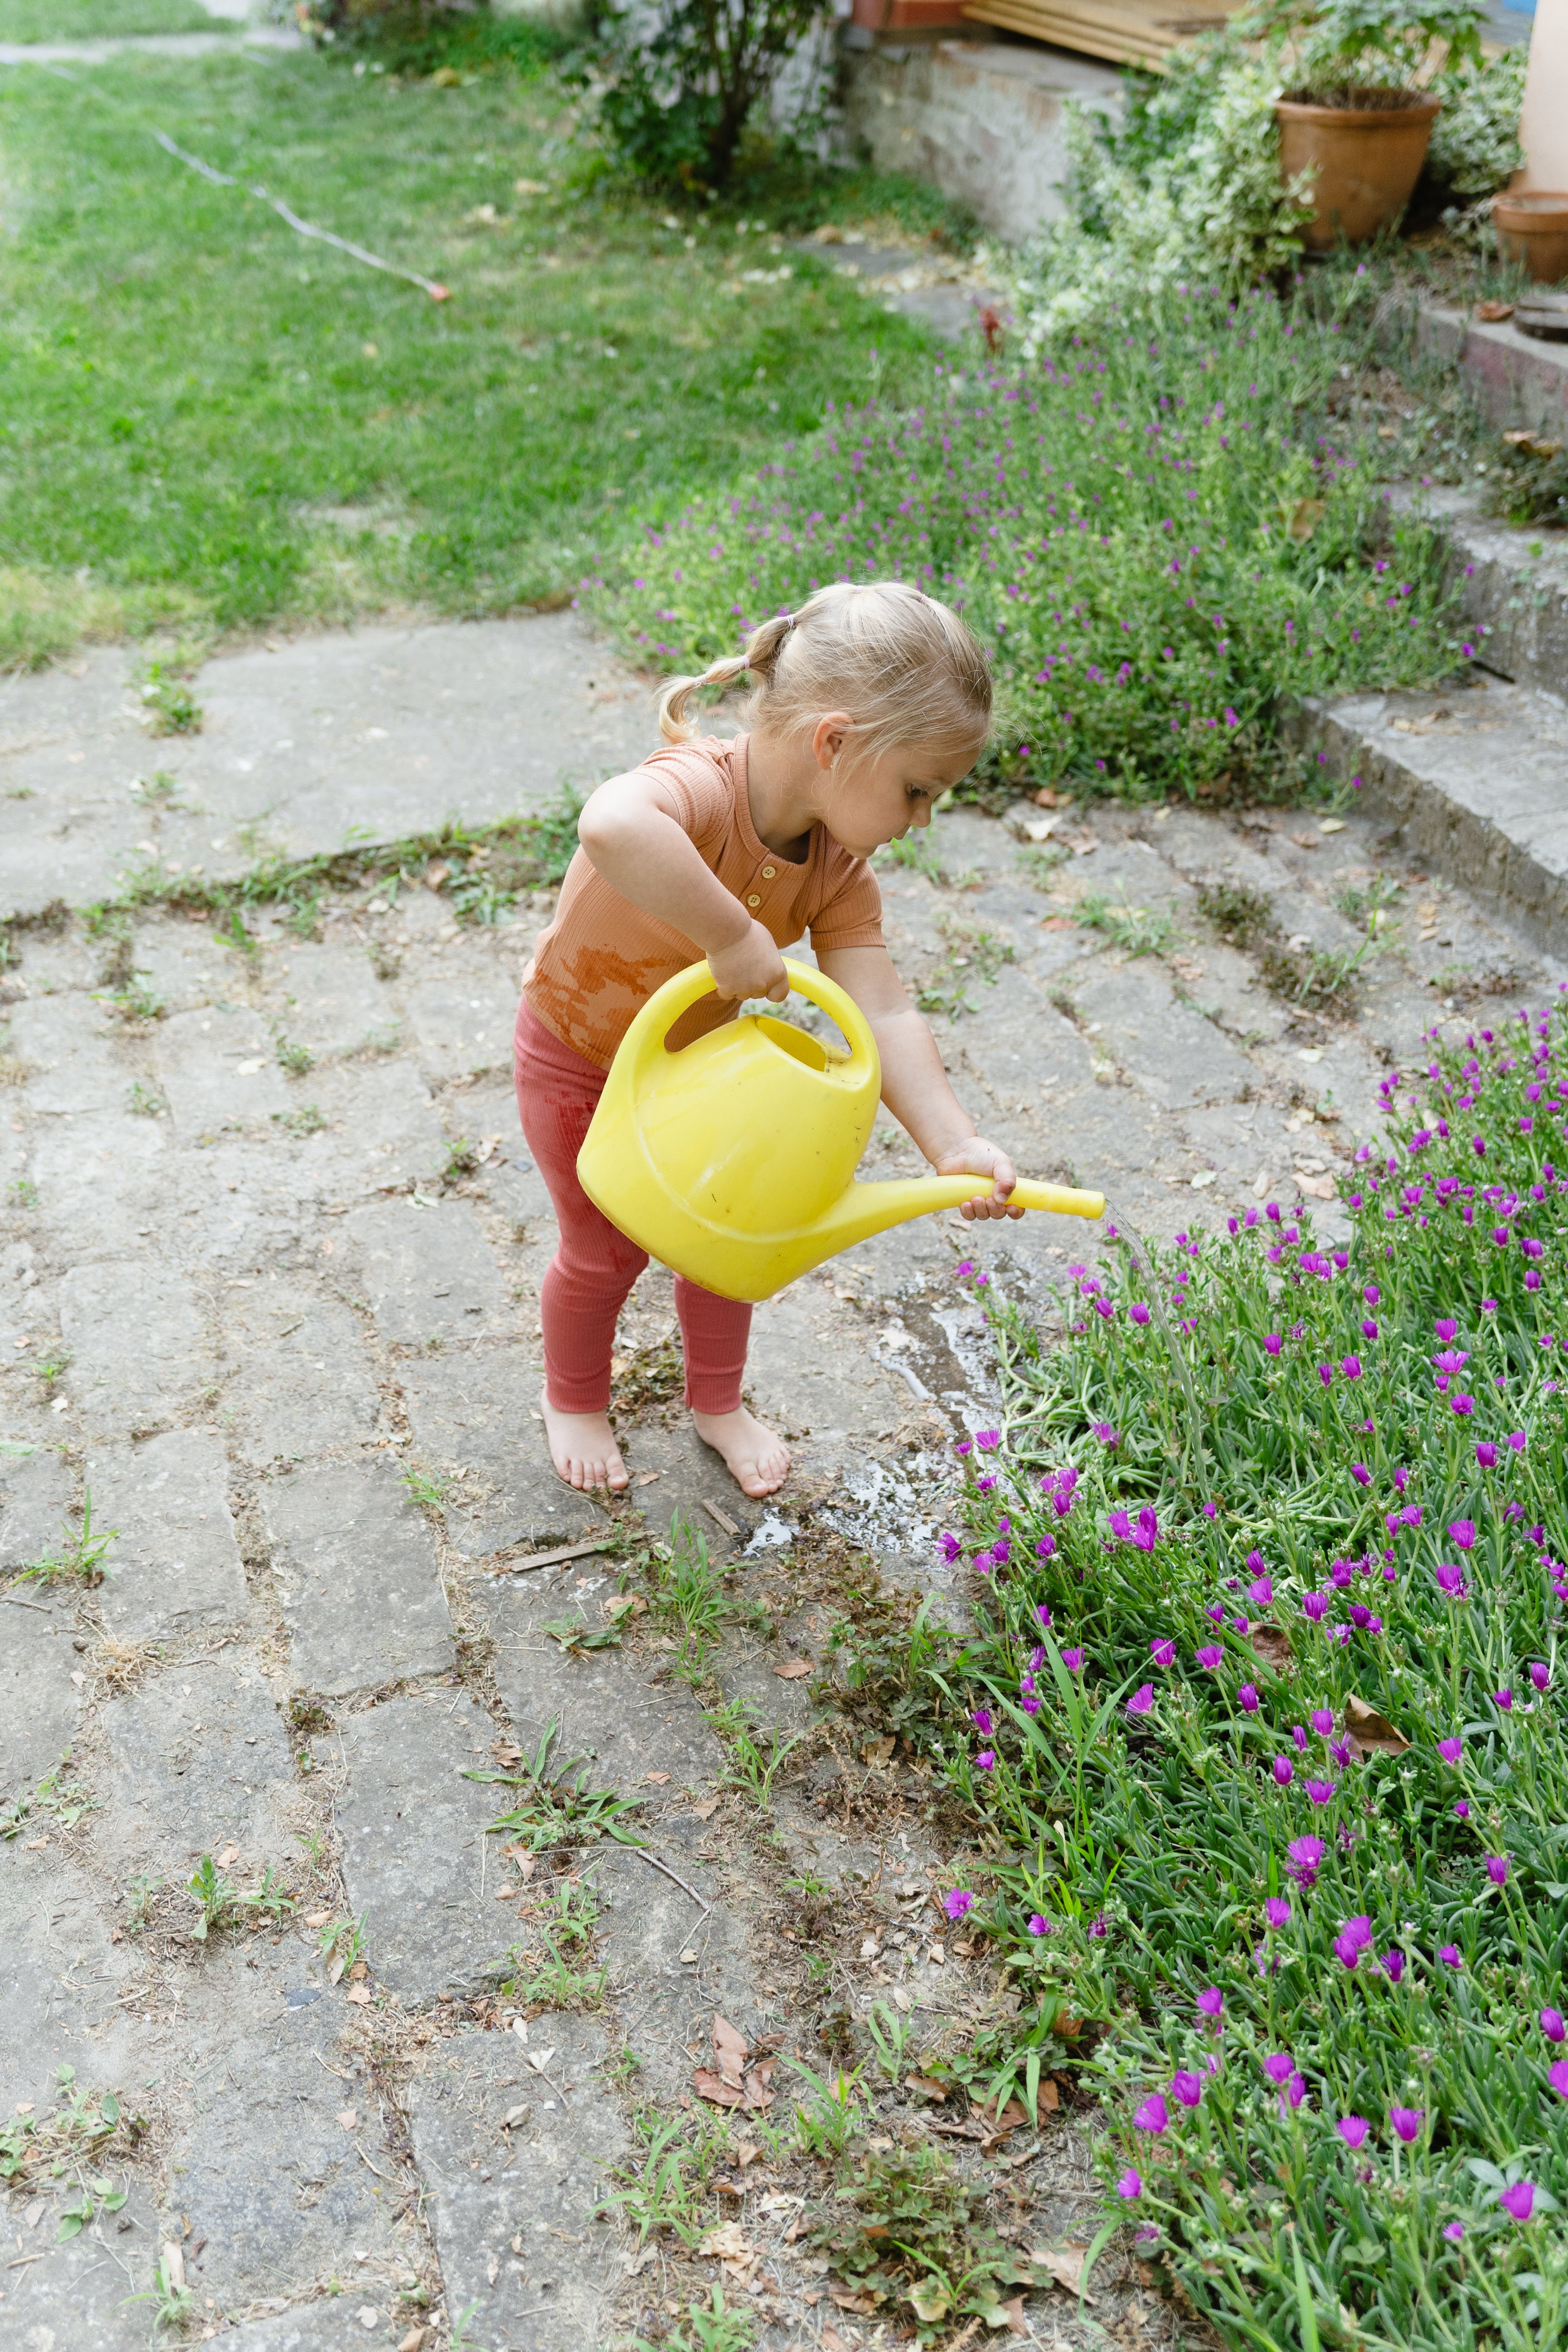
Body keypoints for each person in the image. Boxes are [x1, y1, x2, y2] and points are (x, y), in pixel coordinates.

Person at [512, 579, 1024, 1503]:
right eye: (917, 790)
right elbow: (612, 823)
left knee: (731, 1239)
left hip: (693, 1076)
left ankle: (717, 1404)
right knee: (604, 1251)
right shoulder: (699, 789)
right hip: (577, 1055)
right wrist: (732, 935)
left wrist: (953, 1143)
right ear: (834, 742)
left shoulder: (837, 871)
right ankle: (575, 1399)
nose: (921, 820)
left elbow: (885, 1009)